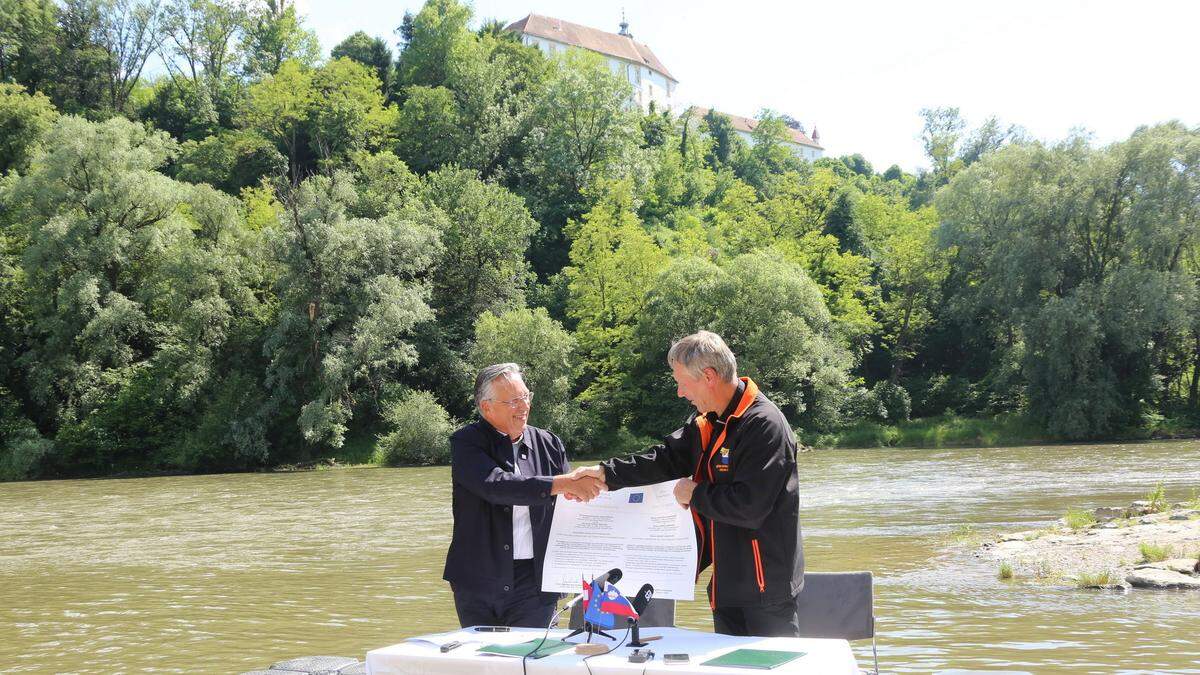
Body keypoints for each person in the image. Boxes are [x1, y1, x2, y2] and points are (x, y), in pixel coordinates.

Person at [570, 331, 804, 637]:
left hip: (766, 588)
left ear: (708, 376)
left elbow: (750, 507)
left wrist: (694, 493)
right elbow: (664, 459)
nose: (680, 392)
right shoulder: (709, 420)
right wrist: (605, 473)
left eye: (682, 382)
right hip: (726, 585)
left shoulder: (764, 425)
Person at [443, 363, 604, 628]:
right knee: (482, 663)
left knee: (530, 660)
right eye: (513, 401)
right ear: (487, 407)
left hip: (535, 581)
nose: (524, 406)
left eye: (526, 396)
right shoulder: (466, 443)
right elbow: (496, 486)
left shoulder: (550, 444)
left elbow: (571, 508)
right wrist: (561, 483)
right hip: (478, 580)